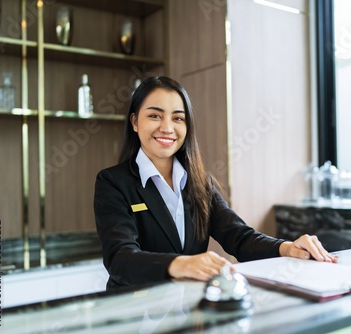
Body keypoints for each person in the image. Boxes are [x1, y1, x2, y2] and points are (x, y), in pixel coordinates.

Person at [94, 76, 337, 290]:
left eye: (178, 118)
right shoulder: (113, 182)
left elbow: (239, 237)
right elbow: (120, 259)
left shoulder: (200, 182)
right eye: (155, 115)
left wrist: (287, 248)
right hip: (135, 313)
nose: (167, 127)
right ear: (135, 122)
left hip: (188, 307)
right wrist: (181, 264)